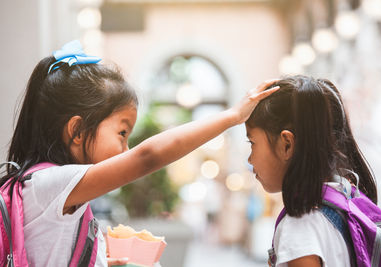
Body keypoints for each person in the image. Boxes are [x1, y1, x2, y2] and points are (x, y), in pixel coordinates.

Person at [0, 40, 279, 266]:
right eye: (122, 133)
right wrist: (232, 116)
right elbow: (148, 157)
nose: (127, 149)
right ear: (77, 131)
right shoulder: (49, 185)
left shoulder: (50, 189)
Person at [245, 75, 377, 267]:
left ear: (287, 145)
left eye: (252, 143)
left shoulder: (300, 226)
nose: (249, 159)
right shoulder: (346, 203)